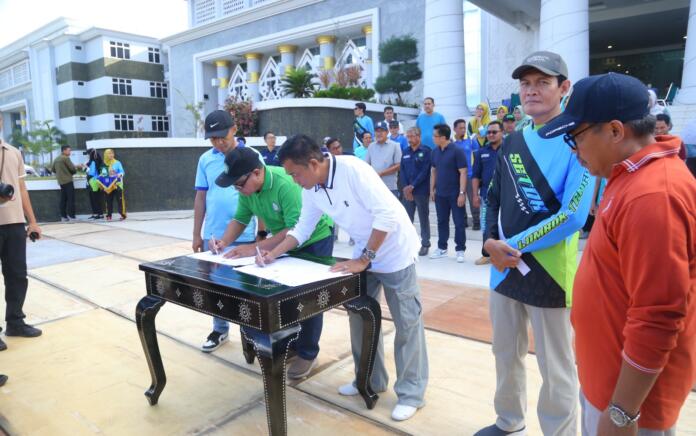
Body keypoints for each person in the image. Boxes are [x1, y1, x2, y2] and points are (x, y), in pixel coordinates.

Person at [540, 72, 696, 436]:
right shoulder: (627, 175)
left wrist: (623, 412)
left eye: (575, 136)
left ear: (614, 131)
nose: (573, 149)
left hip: (630, 405)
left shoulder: (653, 196)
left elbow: (657, 317)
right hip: (608, 384)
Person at [259, 135, 428, 422]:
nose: (294, 180)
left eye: (295, 174)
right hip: (362, 254)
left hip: (395, 251)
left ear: (313, 163)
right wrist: (274, 252)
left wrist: (365, 259)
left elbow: (386, 217)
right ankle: (370, 381)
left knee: (407, 323)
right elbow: (302, 228)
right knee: (360, 319)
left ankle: (411, 393)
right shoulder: (311, 188)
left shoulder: (354, 170)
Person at [476, 51, 593, 436]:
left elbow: (574, 216)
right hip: (502, 268)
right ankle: (509, 422)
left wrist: (512, 245)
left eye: (543, 82)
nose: (532, 90)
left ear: (564, 88)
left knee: (556, 368)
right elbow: (492, 196)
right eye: (525, 83)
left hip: (551, 275)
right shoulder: (512, 140)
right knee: (504, 354)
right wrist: (489, 243)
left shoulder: (579, 138)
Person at [212, 147, 334, 379]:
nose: (239, 190)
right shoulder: (247, 190)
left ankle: (307, 352)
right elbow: (240, 218)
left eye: (239, 184)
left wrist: (255, 248)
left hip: (313, 239)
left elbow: (295, 228)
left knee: (309, 297)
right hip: (282, 241)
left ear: (256, 173)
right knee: (279, 293)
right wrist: (223, 242)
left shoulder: (284, 184)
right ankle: (289, 343)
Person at [194, 110, 257, 353]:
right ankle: (220, 329)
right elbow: (201, 196)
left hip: (245, 236)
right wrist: (196, 234)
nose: (218, 142)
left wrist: (261, 234)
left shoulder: (252, 156)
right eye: (213, 138)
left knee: (245, 288)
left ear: (234, 130)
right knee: (216, 286)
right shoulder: (206, 160)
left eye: (222, 136)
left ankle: (249, 332)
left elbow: (259, 195)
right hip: (215, 237)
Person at [0, 138, 43, 355]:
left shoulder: (14, 152)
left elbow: (22, 189)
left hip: (15, 223)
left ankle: (15, 323)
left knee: (17, 275)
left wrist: (32, 221)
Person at [430, 123, 468, 263]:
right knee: (441, 221)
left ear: (443, 137)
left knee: (458, 222)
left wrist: (462, 193)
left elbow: (463, 172)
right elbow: (434, 171)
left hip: (455, 194)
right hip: (440, 194)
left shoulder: (457, 151)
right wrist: (431, 190)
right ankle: (442, 248)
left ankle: (460, 250)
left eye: (435, 136)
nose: (433, 138)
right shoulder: (435, 152)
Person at [471, 120, 503, 266]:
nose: (490, 134)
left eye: (494, 132)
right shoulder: (481, 152)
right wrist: (475, 195)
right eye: (488, 132)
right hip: (486, 196)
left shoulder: (509, 149)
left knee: (505, 225)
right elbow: (476, 175)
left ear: (501, 133)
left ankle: (504, 255)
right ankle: (486, 254)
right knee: (486, 226)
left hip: (507, 196)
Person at [400, 126, 431, 256]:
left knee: (423, 218)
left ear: (418, 136)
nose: (410, 139)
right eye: (408, 136)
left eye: (412, 136)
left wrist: (412, 186)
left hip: (421, 191)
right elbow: (402, 171)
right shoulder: (406, 151)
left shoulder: (426, 150)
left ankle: (425, 244)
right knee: (407, 219)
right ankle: (409, 243)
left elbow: (425, 171)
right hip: (407, 192)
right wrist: (406, 187)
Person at [453, 118, 480, 230]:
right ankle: (463, 221)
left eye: (464, 127)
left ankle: (476, 221)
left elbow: (477, 158)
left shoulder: (471, 140)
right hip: (456, 176)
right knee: (459, 199)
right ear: (455, 129)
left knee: (473, 198)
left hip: (469, 175)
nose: (463, 130)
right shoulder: (451, 143)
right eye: (461, 128)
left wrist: (477, 174)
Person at [366, 121, 402, 197]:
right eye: (377, 131)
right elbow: (367, 165)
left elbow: (399, 165)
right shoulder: (371, 146)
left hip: (390, 187)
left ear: (387, 132)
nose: (379, 133)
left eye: (381, 131)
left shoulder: (395, 146)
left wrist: (382, 173)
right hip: (374, 186)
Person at [51, 145, 79, 222]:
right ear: (64, 151)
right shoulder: (66, 158)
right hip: (68, 181)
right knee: (71, 199)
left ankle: (64, 216)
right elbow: (73, 169)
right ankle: (72, 217)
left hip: (61, 181)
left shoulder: (56, 158)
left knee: (63, 199)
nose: (70, 152)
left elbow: (53, 169)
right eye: (69, 150)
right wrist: (74, 170)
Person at [102, 149, 126, 221]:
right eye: (109, 154)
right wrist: (107, 174)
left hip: (117, 184)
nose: (111, 155)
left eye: (112, 153)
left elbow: (122, 172)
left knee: (120, 200)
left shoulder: (117, 163)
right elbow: (103, 174)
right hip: (108, 185)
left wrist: (117, 174)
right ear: (106, 155)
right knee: (108, 201)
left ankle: (123, 214)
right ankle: (109, 215)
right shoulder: (104, 164)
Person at [84, 148, 104, 219]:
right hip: (97, 182)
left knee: (94, 198)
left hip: (93, 182)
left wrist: (85, 167)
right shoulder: (98, 160)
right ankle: (99, 213)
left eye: (88, 154)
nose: (87, 156)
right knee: (97, 198)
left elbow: (91, 173)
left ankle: (97, 214)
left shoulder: (92, 162)